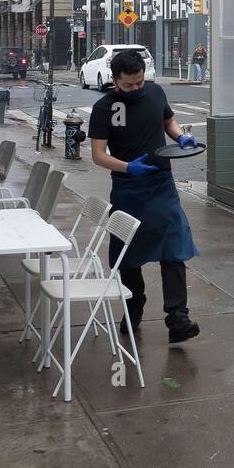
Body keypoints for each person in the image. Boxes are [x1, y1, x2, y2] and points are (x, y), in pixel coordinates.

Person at [88, 48, 200, 343]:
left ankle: (178, 318)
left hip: (162, 184)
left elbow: (168, 122)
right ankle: (133, 307)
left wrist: (181, 136)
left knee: (173, 247)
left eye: (139, 82)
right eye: (128, 85)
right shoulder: (103, 108)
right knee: (128, 254)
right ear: (114, 80)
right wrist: (127, 167)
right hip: (128, 188)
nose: (136, 89)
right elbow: (98, 155)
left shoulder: (155, 93)